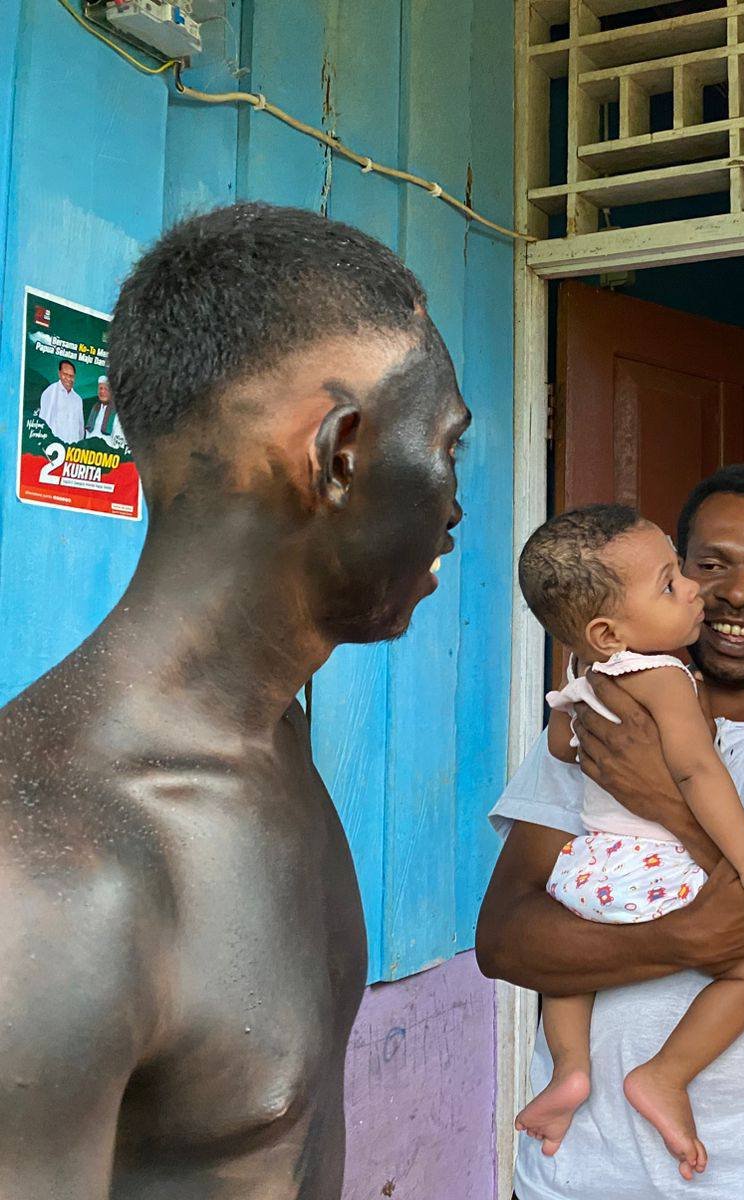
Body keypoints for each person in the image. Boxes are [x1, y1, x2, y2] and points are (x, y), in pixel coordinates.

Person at [0, 202, 469, 1198]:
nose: (454, 509)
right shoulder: (48, 878)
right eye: (448, 447)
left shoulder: (273, 739)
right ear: (340, 453)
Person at [476, 464, 744, 1200]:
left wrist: (672, 809)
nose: (735, 592)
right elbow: (505, 940)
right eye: (706, 566)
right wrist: (682, 941)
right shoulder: (604, 717)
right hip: (585, 1173)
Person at [514, 502, 744, 1179]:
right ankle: (667, 1076)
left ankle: (570, 1070)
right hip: (651, 869)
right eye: (673, 583)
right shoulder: (666, 676)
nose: (695, 591)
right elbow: (696, 771)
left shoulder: (585, 677)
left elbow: (563, 744)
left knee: (569, 975)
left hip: (584, 870)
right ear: (608, 628)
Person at [38, 357, 85, 443]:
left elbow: (80, 429)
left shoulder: (78, 399)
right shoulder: (50, 392)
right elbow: (43, 421)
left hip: (73, 449)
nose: (68, 379)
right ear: (59, 374)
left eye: (71, 376)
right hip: (55, 447)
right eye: (65, 374)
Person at [85, 375, 127, 449]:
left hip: (106, 453)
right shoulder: (95, 408)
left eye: (106, 389)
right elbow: (88, 431)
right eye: (100, 388)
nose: (102, 391)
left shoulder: (117, 412)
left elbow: (119, 438)